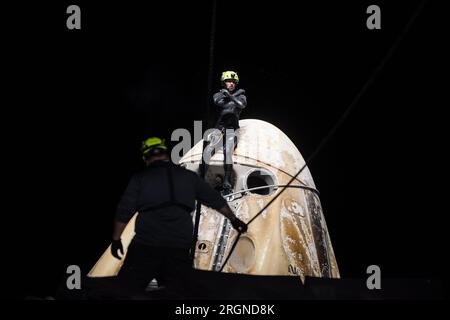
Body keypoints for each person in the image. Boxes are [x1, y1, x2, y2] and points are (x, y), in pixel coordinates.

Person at [110, 137, 247, 297]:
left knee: (126, 290)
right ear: (165, 153)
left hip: (147, 245)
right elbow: (216, 200)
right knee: (177, 293)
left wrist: (116, 239)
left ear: (145, 157)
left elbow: (124, 211)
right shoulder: (189, 177)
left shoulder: (141, 178)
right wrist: (234, 220)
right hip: (178, 246)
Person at [204, 71, 247, 195]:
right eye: (229, 81)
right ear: (224, 83)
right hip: (219, 128)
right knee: (208, 150)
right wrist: (231, 98)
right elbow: (220, 103)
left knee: (227, 152)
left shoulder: (242, 96)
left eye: (233, 82)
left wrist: (230, 96)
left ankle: (226, 184)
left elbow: (241, 105)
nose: (231, 84)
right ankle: (201, 179)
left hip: (232, 129)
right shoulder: (218, 94)